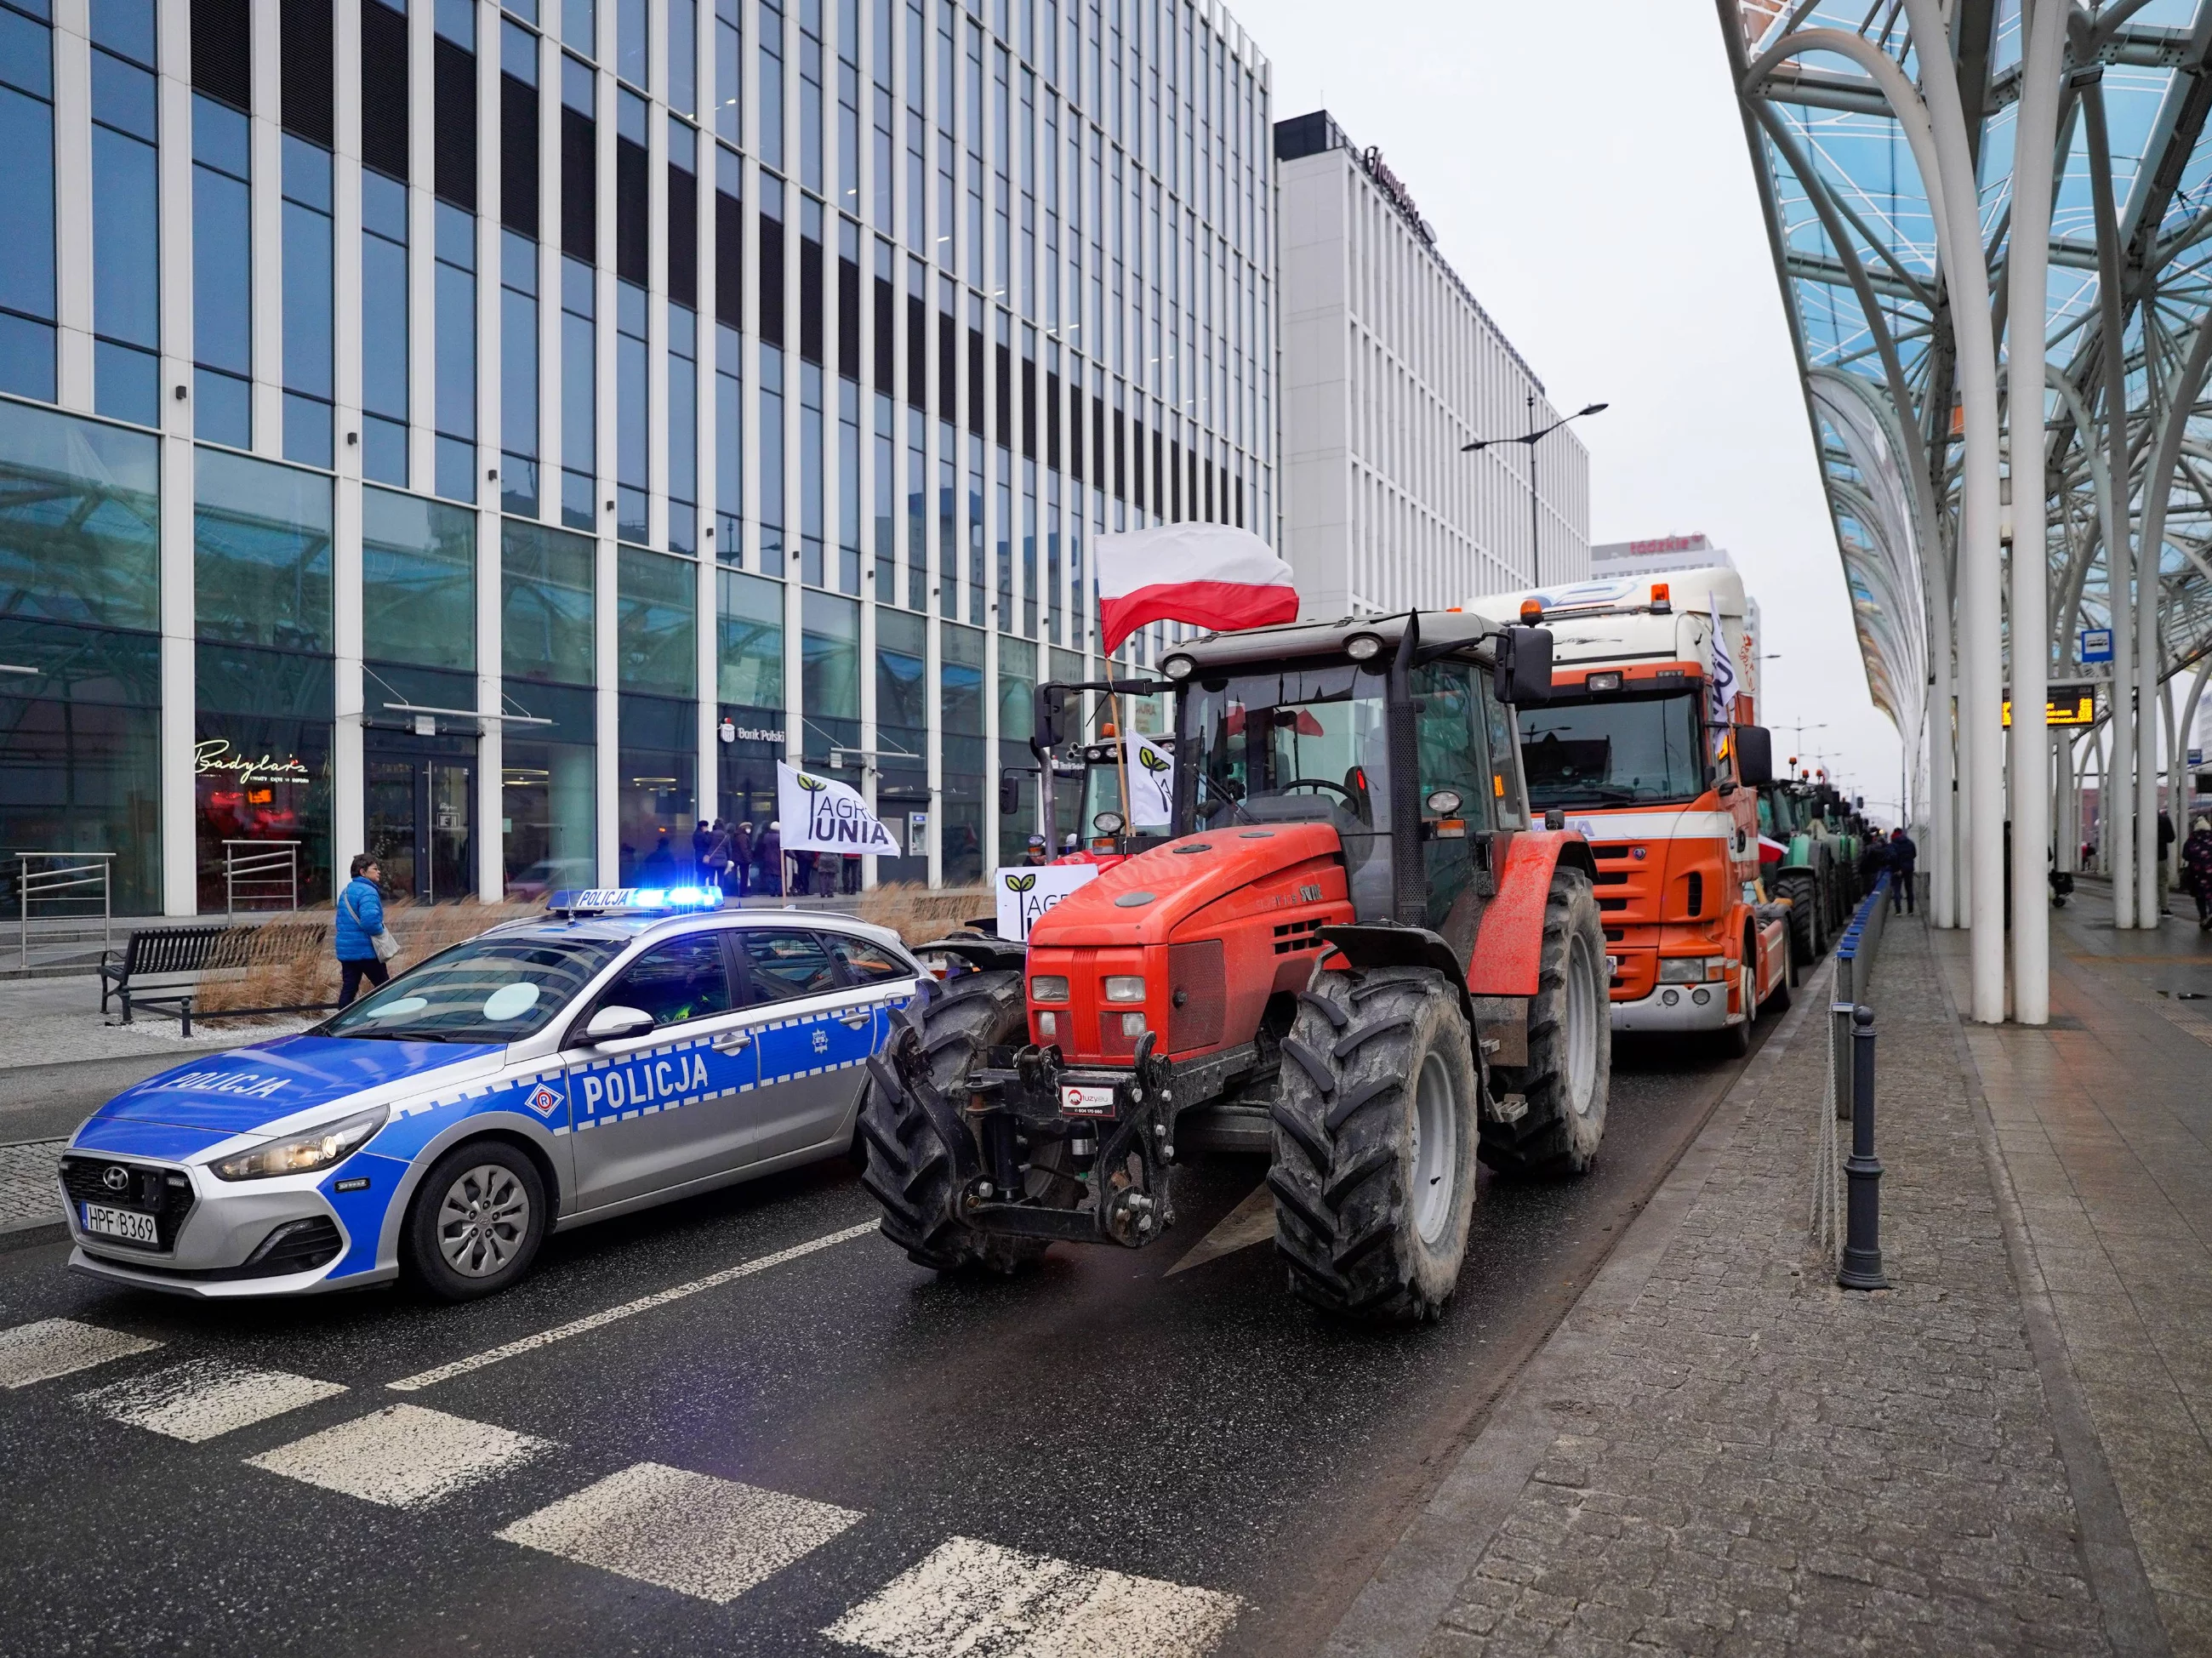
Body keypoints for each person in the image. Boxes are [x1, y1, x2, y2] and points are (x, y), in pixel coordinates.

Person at [334, 854, 391, 1008]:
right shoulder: (368, 892)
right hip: (366, 951)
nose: (379, 872)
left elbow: (339, 921)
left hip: (347, 951)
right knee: (385, 987)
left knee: (349, 989)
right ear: (363, 872)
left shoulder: (346, 891)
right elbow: (370, 923)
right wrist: (382, 931)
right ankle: (386, 1020)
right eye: (375, 869)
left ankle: (341, 1022)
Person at [2182, 815, 2212, 931]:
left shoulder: (2191, 840)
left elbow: (2185, 855)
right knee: (2210, 894)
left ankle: (2203, 917)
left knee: (2200, 896)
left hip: (2197, 874)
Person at [1887, 826, 1918, 914]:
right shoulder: (1910, 843)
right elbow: (1914, 854)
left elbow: (1892, 857)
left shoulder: (1893, 844)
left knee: (1897, 890)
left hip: (1897, 870)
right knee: (1909, 889)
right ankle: (1910, 910)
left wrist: (1897, 869)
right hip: (1909, 868)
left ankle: (1898, 911)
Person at [755, 820, 784, 896]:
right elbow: (783, 848)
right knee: (778, 875)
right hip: (778, 857)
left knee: (770, 875)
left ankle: (772, 891)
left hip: (767, 858)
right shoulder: (780, 837)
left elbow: (761, 847)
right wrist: (793, 856)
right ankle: (779, 891)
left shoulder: (766, 836)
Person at [729, 821, 755, 897]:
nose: (749, 829)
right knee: (744, 877)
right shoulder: (743, 837)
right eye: (748, 828)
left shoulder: (738, 836)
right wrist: (748, 860)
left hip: (739, 859)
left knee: (741, 876)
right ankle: (743, 892)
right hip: (743, 860)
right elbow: (744, 849)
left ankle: (741, 891)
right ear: (744, 828)